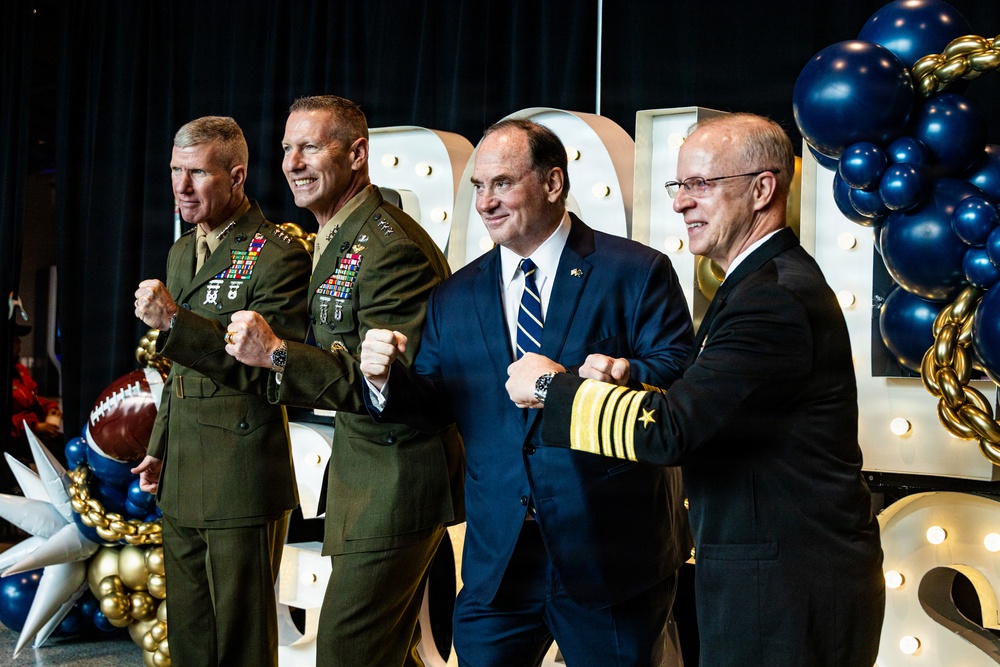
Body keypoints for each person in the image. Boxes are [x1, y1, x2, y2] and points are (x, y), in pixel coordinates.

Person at [506, 113, 885, 666]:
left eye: (702, 184)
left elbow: (673, 431)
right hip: (774, 579)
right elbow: (720, 404)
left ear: (762, 190)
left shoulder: (772, 298)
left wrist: (549, 386)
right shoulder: (758, 283)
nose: (682, 203)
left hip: (788, 587)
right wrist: (631, 376)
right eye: (678, 185)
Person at [360, 118, 694, 666]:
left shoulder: (635, 271)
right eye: (477, 188)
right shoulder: (454, 294)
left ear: (553, 183)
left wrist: (623, 372)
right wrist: (383, 380)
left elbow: (679, 372)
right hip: (499, 561)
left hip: (609, 554)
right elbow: (431, 406)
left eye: (502, 184)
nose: (486, 202)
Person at [223, 95, 464, 667]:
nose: (293, 162)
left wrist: (279, 354)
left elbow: (391, 386)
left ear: (357, 154)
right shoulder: (335, 236)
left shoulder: (389, 248)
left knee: (346, 652)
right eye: (286, 148)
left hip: (397, 480)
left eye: (311, 146)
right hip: (367, 476)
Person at [131, 116, 311, 667]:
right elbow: (179, 372)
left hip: (240, 471)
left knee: (240, 639)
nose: (181, 187)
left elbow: (265, 371)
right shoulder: (183, 251)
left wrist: (175, 320)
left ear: (236, 176)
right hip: (183, 467)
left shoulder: (276, 252)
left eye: (197, 174)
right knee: (189, 635)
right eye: (174, 172)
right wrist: (160, 446)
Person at [9, 317, 62, 454]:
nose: (20, 343)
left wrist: (51, 409)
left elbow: (34, 399)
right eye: (15, 339)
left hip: (32, 435)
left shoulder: (20, 370)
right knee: (60, 455)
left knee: (67, 445)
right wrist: (36, 427)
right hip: (16, 440)